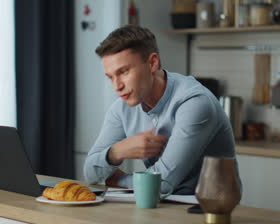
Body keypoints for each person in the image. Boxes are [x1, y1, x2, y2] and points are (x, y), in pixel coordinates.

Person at [83, 25, 240, 195]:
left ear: (152, 63)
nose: (117, 86)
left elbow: (163, 182)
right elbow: (90, 174)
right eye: (111, 77)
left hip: (209, 210)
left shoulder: (194, 103)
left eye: (124, 72)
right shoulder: (122, 107)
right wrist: (116, 152)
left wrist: (118, 180)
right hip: (160, 205)